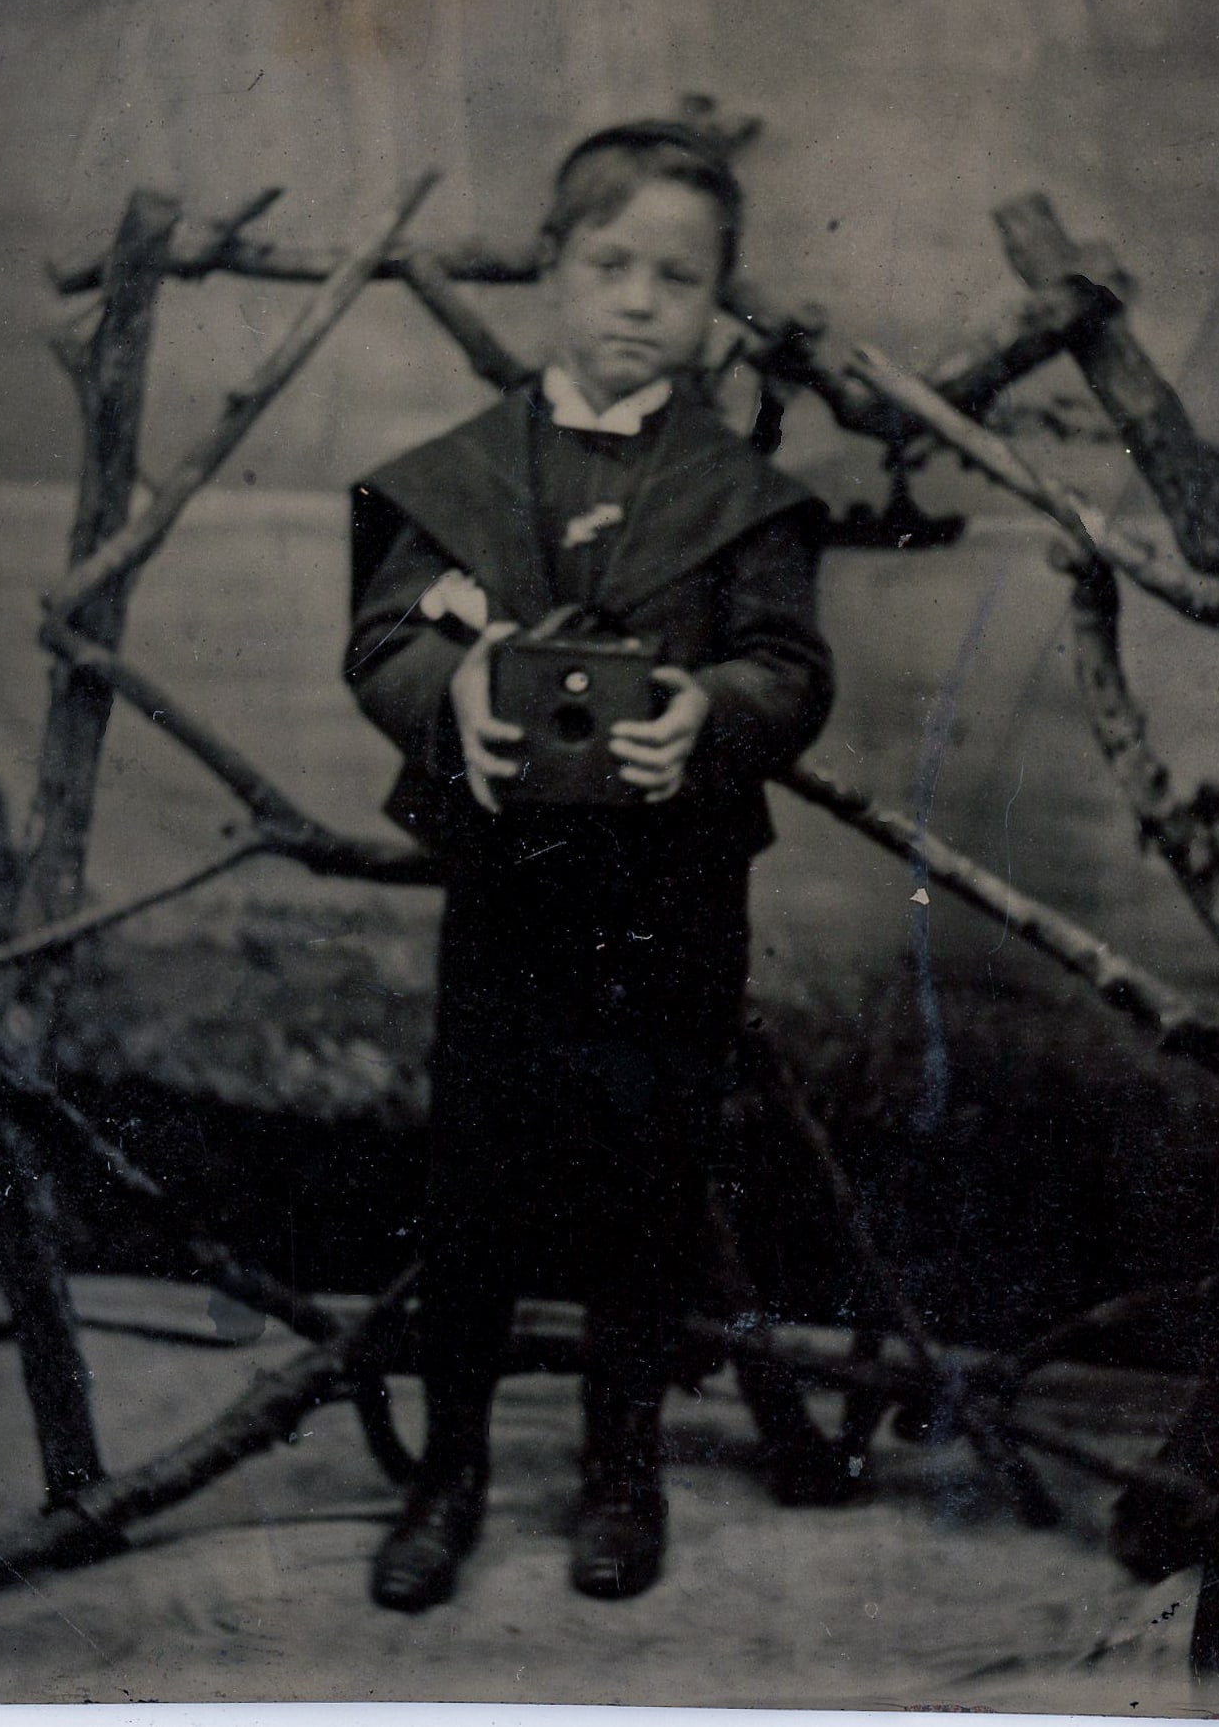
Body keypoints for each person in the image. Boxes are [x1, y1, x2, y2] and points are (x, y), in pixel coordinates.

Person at [344, 119, 834, 1612]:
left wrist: (709, 715)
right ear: (552, 274)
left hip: (674, 900)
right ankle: (453, 1470)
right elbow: (382, 642)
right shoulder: (466, 471)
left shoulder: (736, 493)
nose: (636, 301)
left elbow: (788, 666)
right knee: (477, 1186)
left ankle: (622, 1470)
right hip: (508, 897)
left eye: (674, 280)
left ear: (713, 309)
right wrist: (457, 700)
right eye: (608, 265)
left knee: (647, 1182)